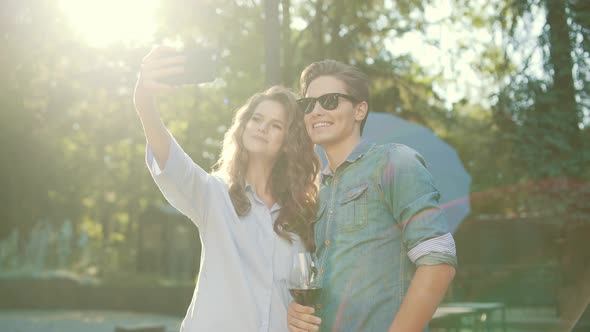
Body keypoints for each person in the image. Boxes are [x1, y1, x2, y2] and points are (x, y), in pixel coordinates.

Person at [133, 46, 320, 331]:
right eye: (256, 119)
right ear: (243, 127)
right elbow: (169, 158)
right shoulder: (213, 194)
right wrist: (145, 103)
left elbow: (306, 294)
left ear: (288, 142)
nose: (262, 128)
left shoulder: (302, 216)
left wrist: (300, 314)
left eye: (276, 125)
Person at [287, 60, 457, 332]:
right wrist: (297, 313)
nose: (316, 110)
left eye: (329, 101)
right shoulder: (319, 189)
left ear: (360, 110)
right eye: (308, 104)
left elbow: (438, 261)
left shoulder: (394, 161)